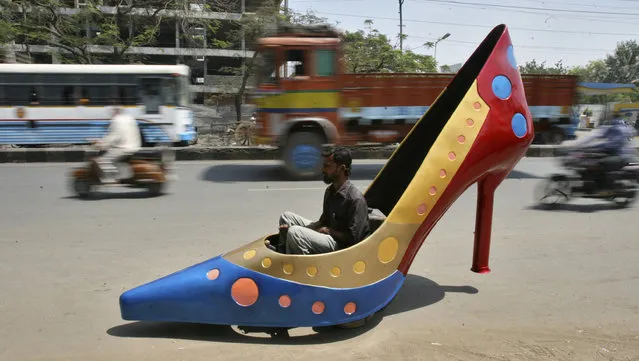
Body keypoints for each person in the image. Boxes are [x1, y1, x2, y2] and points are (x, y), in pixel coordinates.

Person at [276, 147, 370, 255]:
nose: (323, 170)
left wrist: (330, 231)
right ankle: (283, 252)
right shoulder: (330, 191)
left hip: (340, 246)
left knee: (295, 233)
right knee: (286, 217)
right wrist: (300, 228)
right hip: (326, 234)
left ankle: (300, 267)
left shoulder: (355, 199)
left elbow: (354, 239)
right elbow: (322, 222)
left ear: (341, 168)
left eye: (327, 166)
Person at [575, 115, 635, 192]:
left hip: (621, 156)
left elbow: (613, 144)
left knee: (600, 163)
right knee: (592, 158)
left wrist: (594, 146)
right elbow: (595, 136)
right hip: (616, 153)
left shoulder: (619, 129)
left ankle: (604, 187)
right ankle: (593, 183)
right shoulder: (617, 128)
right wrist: (581, 145)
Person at [93, 107, 142, 183]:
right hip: (135, 145)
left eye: (112, 112)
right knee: (112, 156)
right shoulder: (129, 118)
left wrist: (102, 144)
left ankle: (111, 178)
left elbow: (113, 136)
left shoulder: (116, 120)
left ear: (115, 112)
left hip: (124, 147)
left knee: (103, 160)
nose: (111, 115)